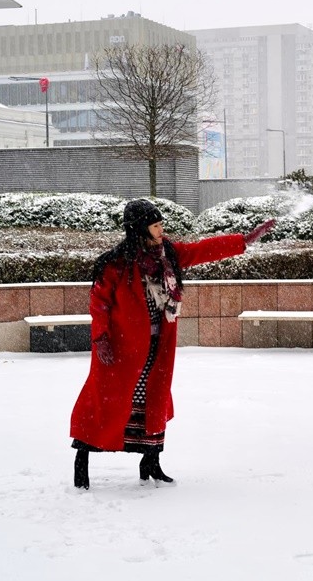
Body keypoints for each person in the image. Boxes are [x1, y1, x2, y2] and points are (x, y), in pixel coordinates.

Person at [71, 199, 275, 490]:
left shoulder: (169, 255)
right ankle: (82, 464)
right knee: (105, 405)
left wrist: (243, 241)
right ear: (140, 229)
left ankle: (151, 464)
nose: (161, 229)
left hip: (157, 346)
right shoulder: (116, 264)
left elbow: (202, 249)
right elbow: (99, 303)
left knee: (152, 403)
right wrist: (101, 338)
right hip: (121, 350)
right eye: (155, 225)